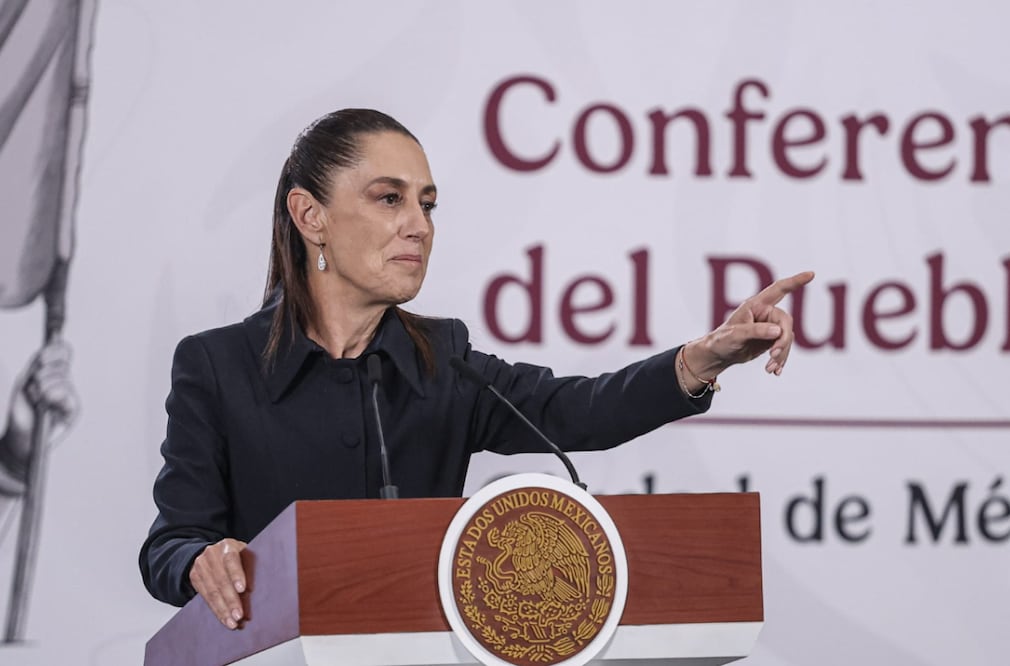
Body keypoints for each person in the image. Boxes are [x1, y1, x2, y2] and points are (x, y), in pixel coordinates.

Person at [139, 108, 813, 630]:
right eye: (389, 198)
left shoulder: (443, 360)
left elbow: (577, 410)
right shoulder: (217, 366)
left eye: (427, 204)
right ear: (309, 215)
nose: (419, 225)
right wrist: (200, 561)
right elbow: (170, 543)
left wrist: (704, 357)